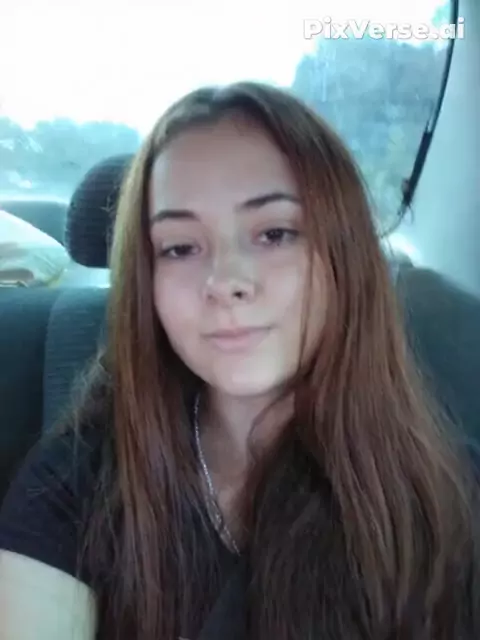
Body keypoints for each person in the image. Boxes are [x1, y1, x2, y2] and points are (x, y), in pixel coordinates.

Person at [0, 81, 479, 640]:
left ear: (345, 258)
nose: (225, 281)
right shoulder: (82, 475)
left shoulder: (451, 497)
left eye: (275, 234)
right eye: (180, 247)